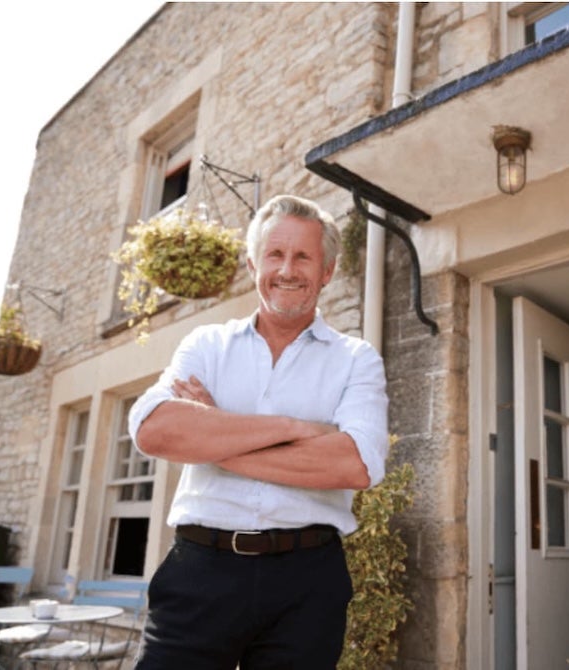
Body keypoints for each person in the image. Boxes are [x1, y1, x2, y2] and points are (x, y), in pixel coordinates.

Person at [127, 194, 389, 669]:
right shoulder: (206, 344)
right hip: (199, 572)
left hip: (306, 581)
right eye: (275, 254)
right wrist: (294, 429)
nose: (287, 269)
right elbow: (154, 429)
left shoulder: (356, 358)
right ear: (253, 264)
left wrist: (216, 438)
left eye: (303, 257)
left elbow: (357, 463)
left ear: (326, 271)